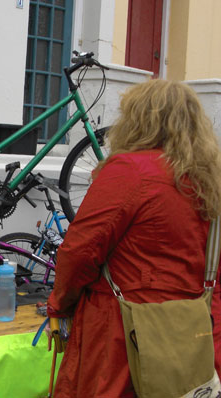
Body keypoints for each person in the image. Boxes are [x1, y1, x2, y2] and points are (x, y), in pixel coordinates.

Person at [47, 79, 221, 397]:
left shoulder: (129, 170)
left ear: (139, 120)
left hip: (122, 336)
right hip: (190, 335)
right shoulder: (209, 180)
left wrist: (60, 305)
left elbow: (79, 252)